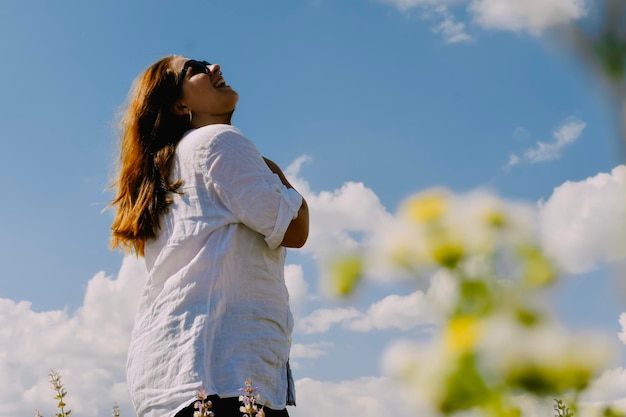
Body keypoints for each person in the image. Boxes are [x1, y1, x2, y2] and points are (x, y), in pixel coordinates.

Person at [109, 56, 309, 417]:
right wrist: (275, 172)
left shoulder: (168, 168)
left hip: (170, 379)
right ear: (178, 104)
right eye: (196, 68)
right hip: (224, 376)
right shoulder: (218, 141)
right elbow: (295, 229)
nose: (215, 66)